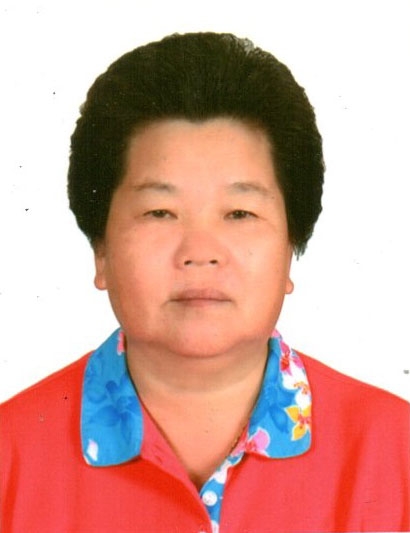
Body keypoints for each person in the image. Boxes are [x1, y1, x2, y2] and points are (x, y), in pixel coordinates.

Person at [0, 32, 408, 533]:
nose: (200, 252)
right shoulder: (9, 458)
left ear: (290, 247)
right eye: (159, 212)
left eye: (239, 213)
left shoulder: (396, 453)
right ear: (101, 249)